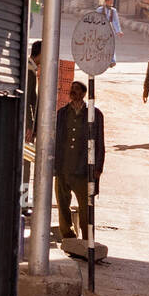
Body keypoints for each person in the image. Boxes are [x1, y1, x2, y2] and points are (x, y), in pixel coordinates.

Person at [54, 80, 105, 241]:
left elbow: (100, 142)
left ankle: (87, 242)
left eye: (77, 90)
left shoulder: (95, 114)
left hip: (83, 170)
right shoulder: (62, 113)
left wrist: (97, 169)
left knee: (86, 208)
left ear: (83, 94)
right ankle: (68, 238)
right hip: (64, 168)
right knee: (63, 206)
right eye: (72, 90)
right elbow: (56, 140)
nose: (73, 92)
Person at [100, 0, 123, 68]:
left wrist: (118, 31)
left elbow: (115, 22)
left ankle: (112, 61)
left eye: (112, 1)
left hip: (109, 29)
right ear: (106, 1)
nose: (111, 2)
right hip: (100, 29)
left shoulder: (113, 11)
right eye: (110, 1)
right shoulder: (99, 10)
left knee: (111, 44)